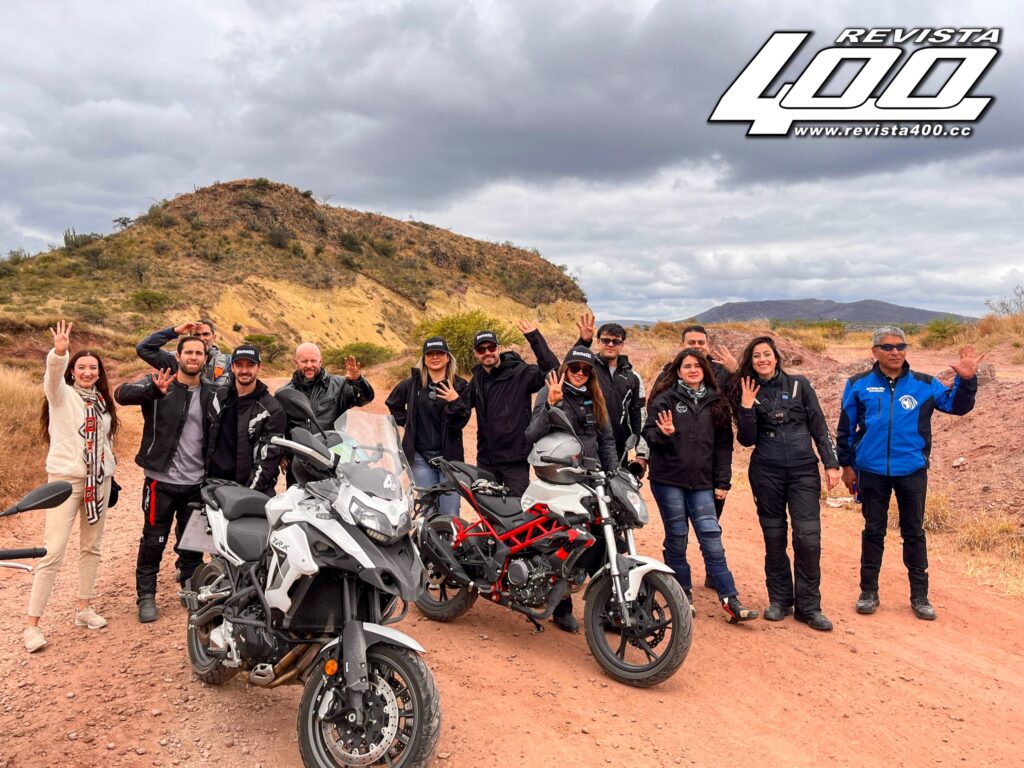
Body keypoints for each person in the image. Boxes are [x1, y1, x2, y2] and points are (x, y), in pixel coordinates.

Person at [837, 327, 982, 621]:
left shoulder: (924, 384)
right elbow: (845, 429)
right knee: (873, 531)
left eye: (900, 346)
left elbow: (957, 406)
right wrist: (847, 466)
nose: (895, 352)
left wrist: (967, 381)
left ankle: (920, 596)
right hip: (871, 470)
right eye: (888, 347)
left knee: (914, 532)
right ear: (874, 351)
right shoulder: (857, 384)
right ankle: (868, 592)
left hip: (912, 470)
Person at [115, 335, 228, 623]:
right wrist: (151, 391)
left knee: (192, 544)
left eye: (199, 353)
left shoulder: (213, 393)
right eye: (188, 352)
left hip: (196, 483)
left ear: (205, 358)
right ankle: (146, 596)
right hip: (160, 481)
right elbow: (121, 394)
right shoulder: (159, 384)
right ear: (177, 357)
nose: (193, 357)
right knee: (154, 540)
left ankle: (191, 591)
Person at [642, 348, 757, 623]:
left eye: (697, 366)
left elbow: (724, 447)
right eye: (686, 366)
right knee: (677, 535)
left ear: (705, 370)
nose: (692, 370)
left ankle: (730, 600)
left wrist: (722, 482)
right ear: (678, 371)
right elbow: (649, 434)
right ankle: (682, 595)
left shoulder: (717, 401)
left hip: (703, 483)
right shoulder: (666, 399)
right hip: (668, 480)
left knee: (711, 537)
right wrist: (664, 434)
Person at [24, 321, 119, 652]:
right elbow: (52, 378)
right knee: (52, 551)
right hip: (65, 481)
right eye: (82, 367)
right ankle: (32, 626)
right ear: (72, 371)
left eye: (93, 368)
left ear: (99, 373)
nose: (88, 372)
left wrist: (110, 471)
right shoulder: (61, 396)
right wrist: (59, 352)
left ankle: (84, 608)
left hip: (99, 480)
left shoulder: (102, 402)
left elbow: (105, 442)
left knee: (92, 547)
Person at [734, 336, 840, 632]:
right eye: (756, 356)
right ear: (751, 362)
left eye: (766, 354)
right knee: (774, 537)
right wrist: (746, 407)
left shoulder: (799, 385)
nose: (762, 360)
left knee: (808, 538)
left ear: (776, 357)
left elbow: (819, 425)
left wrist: (831, 463)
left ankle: (809, 607)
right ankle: (780, 601)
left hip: (803, 470)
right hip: (766, 472)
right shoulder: (747, 390)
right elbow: (746, 440)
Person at [525, 345, 617, 632]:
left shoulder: (595, 398)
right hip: (559, 479)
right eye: (574, 368)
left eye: (585, 370)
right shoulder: (550, 391)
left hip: (592, 479)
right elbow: (531, 434)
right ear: (565, 368)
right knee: (563, 542)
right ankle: (560, 608)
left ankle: (608, 608)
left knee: (605, 540)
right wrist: (551, 405)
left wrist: (614, 473)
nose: (579, 373)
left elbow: (607, 440)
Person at [468, 321, 559, 495]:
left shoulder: (520, 373)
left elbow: (552, 371)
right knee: (487, 508)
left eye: (491, 347)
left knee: (516, 508)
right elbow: (461, 409)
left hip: (515, 460)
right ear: (476, 354)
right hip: (486, 460)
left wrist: (534, 338)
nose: (487, 352)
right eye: (481, 350)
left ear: (499, 348)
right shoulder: (477, 379)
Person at [385, 337, 471, 517]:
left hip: (450, 459)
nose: (435, 357)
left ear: (448, 357)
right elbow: (393, 403)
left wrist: (455, 401)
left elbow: (460, 422)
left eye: (440, 353)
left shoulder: (460, 385)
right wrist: (407, 422)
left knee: (450, 512)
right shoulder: (412, 383)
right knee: (427, 510)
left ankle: (449, 537)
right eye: (430, 354)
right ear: (424, 359)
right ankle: (428, 536)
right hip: (420, 458)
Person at [206, 345, 287, 495]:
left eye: (250, 365)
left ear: (259, 367)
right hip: (213, 485)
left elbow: (268, 461)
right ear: (232, 367)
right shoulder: (219, 396)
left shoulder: (271, 409)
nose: (244, 370)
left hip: (250, 490)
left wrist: (247, 494)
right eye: (239, 365)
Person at [572, 316, 649, 468]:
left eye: (616, 341)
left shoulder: (633, 377)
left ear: (622, 344)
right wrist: (583, 342)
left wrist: (641, 454)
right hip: (585, 445)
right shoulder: (586, 370)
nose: (610, 344)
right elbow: (567, 368)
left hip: (618, 448)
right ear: (598, 341)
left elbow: (638, 415)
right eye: (606, 340)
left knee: (616, 483)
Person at [136, 319, 231, 384]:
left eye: (206, 334)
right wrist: (174, 331)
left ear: (214, 337)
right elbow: (144, 349)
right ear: (190, 337)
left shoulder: (228, 362)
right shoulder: (178, 358)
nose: (202, 338)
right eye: (197, 335)